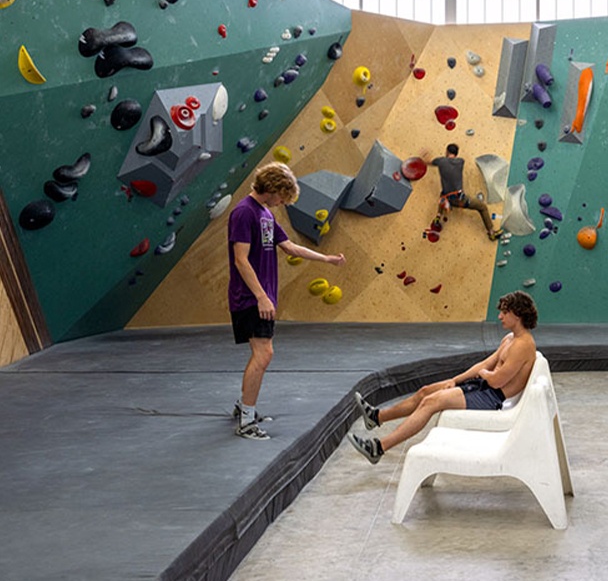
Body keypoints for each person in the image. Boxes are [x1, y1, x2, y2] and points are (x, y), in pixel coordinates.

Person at [347, 290, 538, 463]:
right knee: (425, 392)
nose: (500, 316)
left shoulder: (523, 345)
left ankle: (379, 448)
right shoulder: (509, 339)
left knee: (430, 402)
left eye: (505, 312)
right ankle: (376, 417)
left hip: (492, 397)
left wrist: (483, 374)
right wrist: (455, 380)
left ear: (517, 314)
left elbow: (496, 381)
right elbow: (484, 364)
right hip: (483, 386)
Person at [228, 160, 346, 440]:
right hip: (250, 297)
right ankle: (246, 420)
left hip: (263, 296)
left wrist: (326, 259)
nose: (282, 202)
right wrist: (260, 297)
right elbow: (241, 260)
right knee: (264, 354)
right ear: (271, 189)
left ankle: (243, 406)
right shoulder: (244, 212)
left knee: (261, 353)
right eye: (282, 196)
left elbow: (290, 247)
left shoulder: (265, 213)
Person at [430, 142, 499, 240]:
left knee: (443, 194)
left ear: (447, 152)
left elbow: (430, 162)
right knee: (482, 207)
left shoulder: (440, 161)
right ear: (456, 153)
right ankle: (491, 232)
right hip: (459, 199)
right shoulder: (461, 162)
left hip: (447, 198)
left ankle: (438, 215)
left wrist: (425, 158)